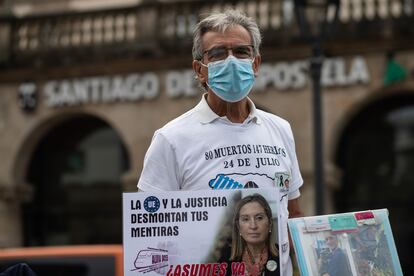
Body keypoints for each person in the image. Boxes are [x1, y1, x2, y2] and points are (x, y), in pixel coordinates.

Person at [137, 9, 303, 275]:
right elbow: (150, 232)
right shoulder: (171, 139)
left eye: (241, 52)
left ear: (256, 63)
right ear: (199, 70)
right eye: (216, 54)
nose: (231, 61)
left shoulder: (280, 129)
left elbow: (293, 216)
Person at [225, 194, 280, 276]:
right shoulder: (226, 258)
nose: (253, 226)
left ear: (270, 223)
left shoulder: (282, 255)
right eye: (246, 219)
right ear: (238, 226)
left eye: (259, 218)